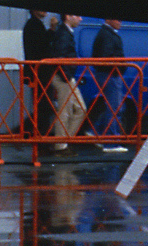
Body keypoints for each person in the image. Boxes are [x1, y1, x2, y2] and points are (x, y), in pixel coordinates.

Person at [46, 13, 86, 153]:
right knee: (66, 110)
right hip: (63, 76)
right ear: (68, 16)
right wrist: (66, 75)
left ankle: (64, 142)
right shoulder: (64, 34)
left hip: (65, 75)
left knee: (80, 109)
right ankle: (61, 145)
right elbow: (60, 56)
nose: (80, 18)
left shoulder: (64, 32)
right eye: (78, 16)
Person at [90, 19, 129, 152]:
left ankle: (97, 132)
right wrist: (119, 66)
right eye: (118, 19)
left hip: (108, 74)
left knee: (117, 106)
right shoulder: (107, 35)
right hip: (110, 74)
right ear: (109, 19)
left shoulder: (105, 33)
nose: (121, 22)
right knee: (114, 107)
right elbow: (106, 56)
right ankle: (111, 142)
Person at [22, 9, 52, 137]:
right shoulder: (34, 25)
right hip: (39, 72)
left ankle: (30, 132)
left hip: (37, 72)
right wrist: (51, 31)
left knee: (42, 106)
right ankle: (38, 137)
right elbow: (42, 46)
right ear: (34, 10)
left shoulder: (33, 24)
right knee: (43, 106)